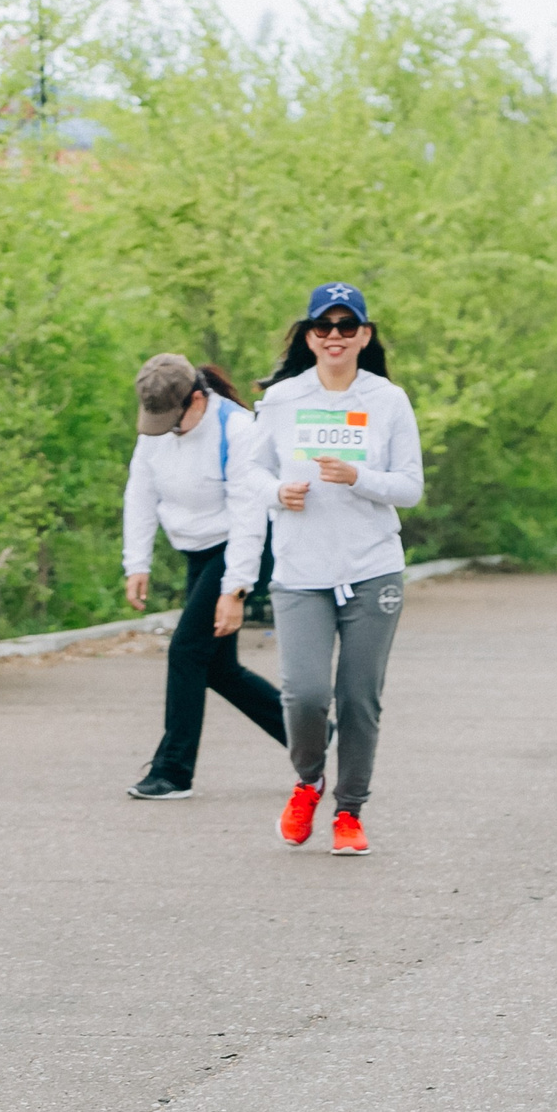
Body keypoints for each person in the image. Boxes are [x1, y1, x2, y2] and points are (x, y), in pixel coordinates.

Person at [222, 284, 425, 855]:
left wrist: (359, 477)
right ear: (309, 337)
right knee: (306, 695)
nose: (334, 336)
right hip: (301, 571)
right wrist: (276, 491)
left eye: (346, 326)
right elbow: (251, 474)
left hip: (372, 569)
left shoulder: (388, 400)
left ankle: (349, 812)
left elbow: (410, 487)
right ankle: (308, 781)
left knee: (359, 697)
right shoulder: (284, 399)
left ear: (364, 335)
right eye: (323, 327)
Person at [121, 354, 288, 800]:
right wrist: (137, 563)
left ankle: (172, 772)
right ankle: (315, 737)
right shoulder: (159, 427)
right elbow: (141, 490)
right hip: (195, 549)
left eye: (174, 423)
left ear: (197, 400)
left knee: (187, 651)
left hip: (238, 546)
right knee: (220, 668)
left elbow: (250, 515)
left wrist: (234, 590)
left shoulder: (236, 429)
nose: (167, 432)